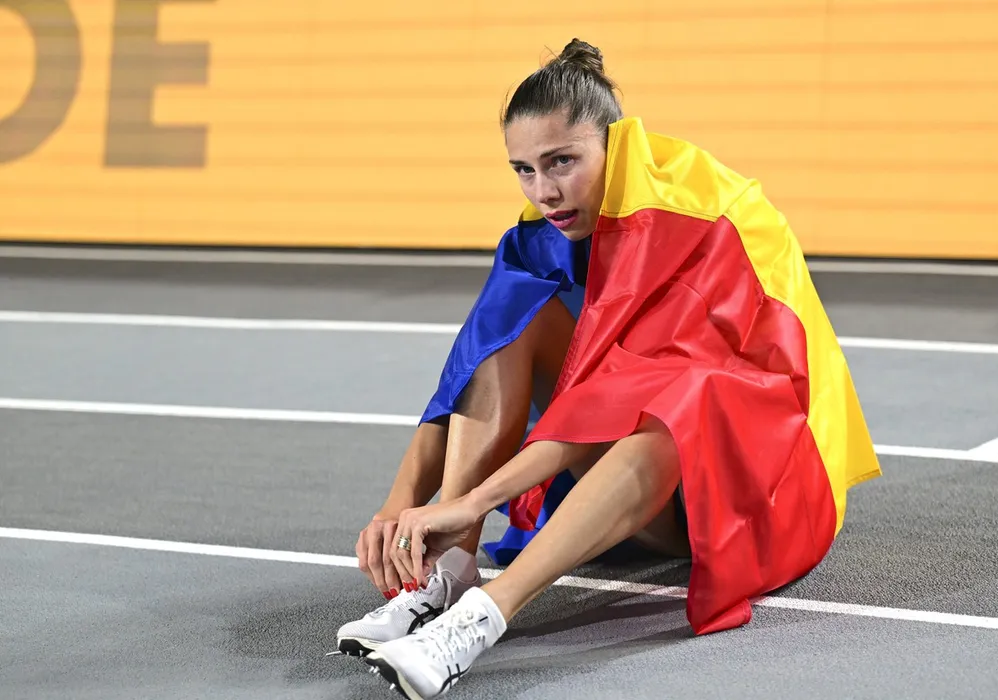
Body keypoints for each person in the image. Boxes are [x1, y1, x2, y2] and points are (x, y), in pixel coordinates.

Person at [334, 38, 883, 699]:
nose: (545, 191)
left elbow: (631, 401)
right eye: (524, 169)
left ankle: (481, 619)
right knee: (514, 318)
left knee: (680, 402)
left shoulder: (706, 222)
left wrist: (472, 500)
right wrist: (399, 508)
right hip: (629, 469)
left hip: (755, 491)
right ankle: (449, 573)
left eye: (562, 161)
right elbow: (467, 368)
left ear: (614, 143)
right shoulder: (548, 226)